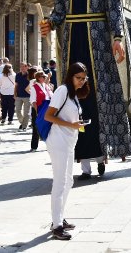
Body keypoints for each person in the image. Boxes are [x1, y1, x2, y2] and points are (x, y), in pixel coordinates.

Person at [40, 0, 131, 168]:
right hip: (72, 42)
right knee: (73, 95)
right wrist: (49, 22)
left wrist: (117, 38)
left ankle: (101, 152)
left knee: (97, 95)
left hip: (98, 43)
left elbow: (114, 11)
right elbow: (59, 12)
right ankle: (79, 157)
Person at [45, 62, 89, 240]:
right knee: (60, 182)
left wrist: (77, 123)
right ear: (70, 76)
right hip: (58, 141)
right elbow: (49, 116)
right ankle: (56, 226)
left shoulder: (73, 95)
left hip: (70, 141)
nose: (81, 82)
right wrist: (71, 125)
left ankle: (60, 218)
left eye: (84, 79)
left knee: (69, 180)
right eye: (78, 78)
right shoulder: (62, 90)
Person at [30, 71, 53, 152]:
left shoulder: (46, 86)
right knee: (36, 127)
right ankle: (34, 146)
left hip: (47, 108)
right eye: (43, 77)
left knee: (49, 127)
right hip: (38, 109)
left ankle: (49, 145)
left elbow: (51, 96)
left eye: (44, 77)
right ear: (39, 78)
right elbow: (33, 101)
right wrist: (37, 112)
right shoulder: (34, 87)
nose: (44, 78)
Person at [14, 63, 31, 131]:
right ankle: (23, 122)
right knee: (17, 111)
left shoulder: (29, 75)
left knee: (26, 112)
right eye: (21, 67)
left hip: (27, 96)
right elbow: (16, 85)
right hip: (19, 95)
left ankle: (24, 126)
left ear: (27, 67)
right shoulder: (18, 75)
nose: (22, 68)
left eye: (24, 67)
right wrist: (14, 94)